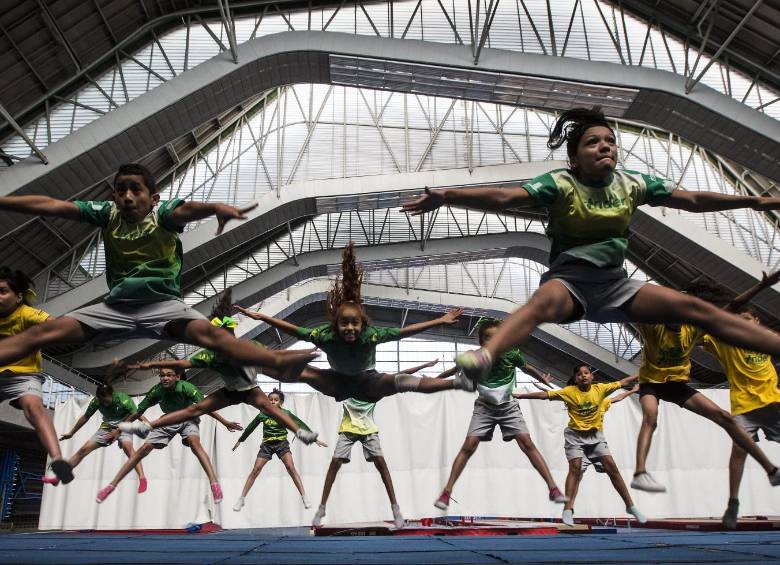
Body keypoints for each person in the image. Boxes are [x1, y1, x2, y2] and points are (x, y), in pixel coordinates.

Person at [401, 106, 780, 487]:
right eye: (593, 142)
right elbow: (504, 197)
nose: (605, 147)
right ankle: (485, 355)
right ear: (574, 157)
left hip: (617, 285)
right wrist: (449, 195)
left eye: (611, 141)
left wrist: (754, 203)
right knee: (541, 304)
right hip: (570, 283)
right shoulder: (560, 183)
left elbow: (692, 200)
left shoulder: (632, 184)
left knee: (696, 309)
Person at [0, 163, 318, 438]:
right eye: (121, 190)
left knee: (211, 336)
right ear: (113, 196)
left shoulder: (163, 215)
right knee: (41, 334)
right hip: (116, 307)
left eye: (135, 190)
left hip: (163, 305)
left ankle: (277, 363)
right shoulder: (105, 214)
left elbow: (187, 210)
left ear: (153, 199)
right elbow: (53, 205)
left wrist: (213, 208)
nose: (127, 196)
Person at [235, 242, 474, 402]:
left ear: (362, 324)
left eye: (354, 324)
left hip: (368, 381)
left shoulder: (372, 335)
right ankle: (251, 364)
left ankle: (456, 383)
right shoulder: (326, 336)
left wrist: (440, 320)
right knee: (303, 372)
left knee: (403, 381)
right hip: (335, 382)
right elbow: (295, 331)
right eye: (344, 324)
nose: (349, 329)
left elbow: (405, 332)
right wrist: (263, 316)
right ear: (336, 325)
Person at [631, 277, 780, 493]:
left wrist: (761, 286)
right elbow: (630, 306)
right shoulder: (652, 327)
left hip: (677, 385)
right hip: (651, 383)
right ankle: (640, 473)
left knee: (725, 418)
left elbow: (730, 309)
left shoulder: (693, 329)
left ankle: (771, 470)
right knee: (651, 416)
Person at [118, 290, 319, 445]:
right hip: (230, 392)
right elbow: (181, 364)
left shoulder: (249, 347)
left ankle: (300, 433)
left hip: (250, 391)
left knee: (270, 409)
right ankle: (146, 426)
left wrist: (304, 354)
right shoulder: (211, 355)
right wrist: (147, 365)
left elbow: (277, 355)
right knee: (194, 409)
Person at [432, 319, 567, 511]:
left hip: (508, 407)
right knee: (468, 446)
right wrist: (435, 379)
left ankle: (553, 488)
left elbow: (527, 367)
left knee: (527, 444)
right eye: (487, 338)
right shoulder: (476, 357)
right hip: (484, 407)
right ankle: (446, 492)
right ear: (481, 342)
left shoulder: (512, 354)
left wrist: (541, 377)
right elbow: (456, 369)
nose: (492, 341)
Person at [694, 272, 780, 528]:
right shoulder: (724, 341)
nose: (742, 325)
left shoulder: (766, 339)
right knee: (738, 452)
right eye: (738, 322)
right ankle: (733, 502)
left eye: (747, 320)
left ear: (757, 320)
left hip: (774, 401)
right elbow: (700, 336)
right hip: (744, 405)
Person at [514, 365, 645, 526]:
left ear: (592, 377)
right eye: (579, 374)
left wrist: (639, 379)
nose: (583, 376)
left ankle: (630, 506)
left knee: (612, 467)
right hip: (575, 437)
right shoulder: (569, 392)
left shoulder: (601, 390)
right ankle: (568, 509)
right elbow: (544, 395)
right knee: (575, 469)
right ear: (576, 379)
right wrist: (521, 396)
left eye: (586, 373)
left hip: (595, 437)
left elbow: (622, 385)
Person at [95, 366, 242, 504]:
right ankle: (111, 485)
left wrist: (225, 422)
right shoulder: (156, 391)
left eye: (169, 375)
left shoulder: (187, 387)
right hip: (168, 420)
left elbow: (206, 408)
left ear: (177, 377)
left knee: (195, 445)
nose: (165, 378)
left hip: (188, 418)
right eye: (162, 375)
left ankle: (214, 483)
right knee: (142, 450)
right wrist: (119, 430)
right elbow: (137, 413)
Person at [0, 268, 72, 483]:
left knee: (34, 407)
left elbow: (56, 325)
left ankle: (58, 459)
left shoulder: (26, 314)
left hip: (24, 375)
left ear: (19, 297)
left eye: (3, 292)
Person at [312, 397, 404, 529]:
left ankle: (395, 509)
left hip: (368, 429)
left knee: (381, 462)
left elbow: (397, 379)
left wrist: (412, 375)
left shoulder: (372, 387)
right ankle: (322, 508)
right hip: (348, 428)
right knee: (335, 462)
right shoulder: (345, 386)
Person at [232, 388, 325, 512]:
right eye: (270, 400)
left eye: (275, 400)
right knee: (255, 470)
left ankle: (304, 496)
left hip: (282, 444)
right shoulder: (262, 413)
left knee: (291, 468)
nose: (272, 402)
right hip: (267, 445)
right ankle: (242, 498)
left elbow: (299, 424)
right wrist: (241, 439)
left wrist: (314, 439)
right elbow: (251, 427)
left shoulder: (285, 413)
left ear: (280, 402)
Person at [46, 384, 146, 490]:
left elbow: (137, 414)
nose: (104, 404)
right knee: (83, 450)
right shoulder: (97, 401)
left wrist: (147, 423)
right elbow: (85, 417)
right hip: (108, 426)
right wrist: (72, 432)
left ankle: (142, 478)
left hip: (124, 424)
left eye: (106, 401)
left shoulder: (123, 399)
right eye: (102, 401)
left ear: (111, 395)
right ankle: (59, 477)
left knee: (128, 449)